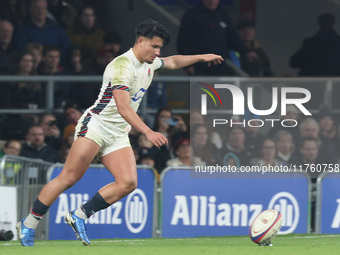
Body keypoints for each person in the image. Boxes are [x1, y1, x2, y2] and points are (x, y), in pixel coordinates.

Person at [17, 19, 223, 246]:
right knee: (69, 178)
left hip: (117, 133)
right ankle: (29, 223)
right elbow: (123, 107)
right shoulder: (121, 66)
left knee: (128, 182)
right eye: (154, 46)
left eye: (159, 48)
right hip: (96, 125)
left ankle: (79, 215)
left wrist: (202, 56)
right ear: (140, 41)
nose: (157, 52)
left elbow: (173, 61)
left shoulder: (150, 62)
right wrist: (147, 132)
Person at [177, 0, 257, 76]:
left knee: (219, 90)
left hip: (220, 68)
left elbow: (233, 39)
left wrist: (246, 51)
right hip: (199, 68)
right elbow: (183, 43)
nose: (212, 1)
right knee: (202, 90)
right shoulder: (192, 16)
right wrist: (187, 65)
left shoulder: (223, 15)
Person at [66, 5, 106, 71]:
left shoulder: (101, 34)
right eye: (85, 15)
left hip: (95, 68)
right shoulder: (70, 33)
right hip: (74, 68)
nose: (89, 18)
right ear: (79, 18)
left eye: (91, 15)